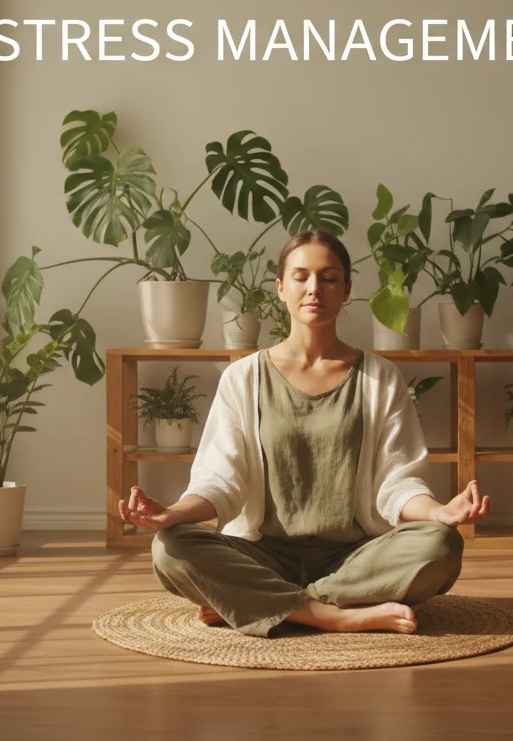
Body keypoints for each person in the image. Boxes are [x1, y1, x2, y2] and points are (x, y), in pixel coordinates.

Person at [118, 229, 492, 638]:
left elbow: (397, 482)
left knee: (441, 545)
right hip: (263, 553)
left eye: (329, 278)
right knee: (170, 548)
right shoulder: (243, 378)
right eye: (300, 277)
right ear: (280, 287)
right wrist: (172, 514)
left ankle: (265, 603)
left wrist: (440, 513)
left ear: (346, 288)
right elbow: (219, 482)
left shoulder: (380, 378)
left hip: (356, 558)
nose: (315, 289)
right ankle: (331, 614)